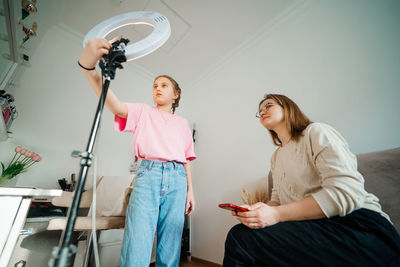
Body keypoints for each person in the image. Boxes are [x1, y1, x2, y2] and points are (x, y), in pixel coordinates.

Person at [223, 94, 400, 266]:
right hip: (314, 226)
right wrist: (256, 211)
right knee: (247, 233)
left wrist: (276, 215)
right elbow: (277, 200)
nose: (262, 111)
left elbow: (345, 192)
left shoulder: (316, 132)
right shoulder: (276, 157)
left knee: (241, 239)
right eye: (259, 110)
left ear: (288, 107)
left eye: (268, 105)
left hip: (359, 226)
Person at [78, 38, 196, 267]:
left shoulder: (182, 123)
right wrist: (89, 69)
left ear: (176, 94)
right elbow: (115, 105)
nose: (157, 88)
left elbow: (186, 159)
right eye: (155, 85)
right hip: (148, 174)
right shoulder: (142, 111)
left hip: (178, 180)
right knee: (138, 239)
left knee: (170, 242)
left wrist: (191, 191)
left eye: (163, 85)